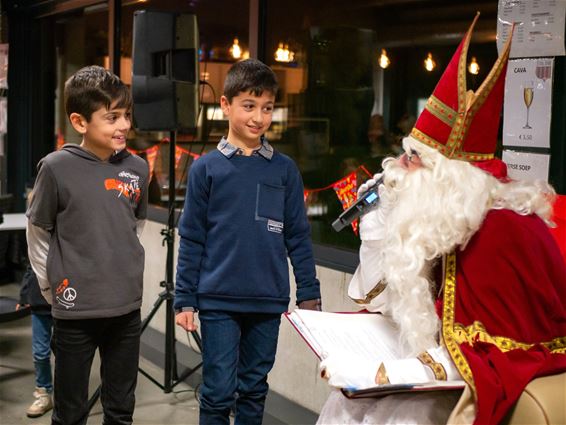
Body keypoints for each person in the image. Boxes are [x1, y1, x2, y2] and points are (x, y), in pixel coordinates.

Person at [317, 15, 566, 425]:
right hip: (434, 366)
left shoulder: (500, 231)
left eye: (413, 159)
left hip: (474, 378)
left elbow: (486, 355)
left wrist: (382, 374)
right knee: (343, 405)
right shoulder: (439, 216)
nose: (396, 167)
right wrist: (379, 228)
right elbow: (379, 300)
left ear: (448, 178)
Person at [174, 58, 322, 425]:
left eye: (267, 108)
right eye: (249, 106)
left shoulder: (284, 170)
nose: (258, 117)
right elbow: (192, 237)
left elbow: (297, 235)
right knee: (219, 391)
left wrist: (309, 290)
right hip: (217, 298)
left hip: (267, 299)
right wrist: (184, 299)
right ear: (225, 105)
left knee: (254, 389)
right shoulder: (205, 169)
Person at [26, 65, 149, 425]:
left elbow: (134, 226)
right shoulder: (55, 167)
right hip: (74, 312)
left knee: (121, 408)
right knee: (71, 411)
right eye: (111, 117)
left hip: (126, 308)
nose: (124, 125)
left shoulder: (138, 167)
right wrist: (53, 288)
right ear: (80, 122)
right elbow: (38, 234)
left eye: (126, 115)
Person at [17, 264, 53, 418]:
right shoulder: (37, 239)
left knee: (68, 353)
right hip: (39, 304)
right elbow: (31, 266)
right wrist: (24, 295)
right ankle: (44, 394)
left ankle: (70, 397)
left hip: (65, 302)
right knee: (40, 353)